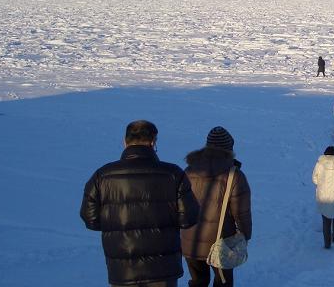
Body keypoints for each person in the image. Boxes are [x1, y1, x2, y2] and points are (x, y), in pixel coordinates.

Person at [80, 120, 199, 287]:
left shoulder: (103, 175)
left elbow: (90, 218)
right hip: (163, 267)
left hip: (123, 266)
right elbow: (189, 217)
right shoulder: (173, 173)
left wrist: (116, 225)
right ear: (153, 142)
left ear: (125, 141)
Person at [181, 126, 252, 287]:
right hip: (221, 243)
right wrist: (244, 236)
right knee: (223, 282)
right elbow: (242, 212)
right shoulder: (234, 175)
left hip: (190, 240)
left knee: (198, 282)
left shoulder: (188, 171)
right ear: (229, 149)